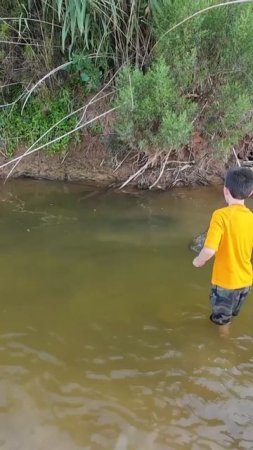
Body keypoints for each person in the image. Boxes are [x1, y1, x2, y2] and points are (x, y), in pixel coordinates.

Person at [193, 167, 253, 336]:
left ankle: (224, 345)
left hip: (226, 282)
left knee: (222, 321)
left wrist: (199, 260)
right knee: (233, 313)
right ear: (250, 193)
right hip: (246, 281)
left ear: (225, 190)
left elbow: (210, 249)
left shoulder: (220, 216)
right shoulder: (251, 218)